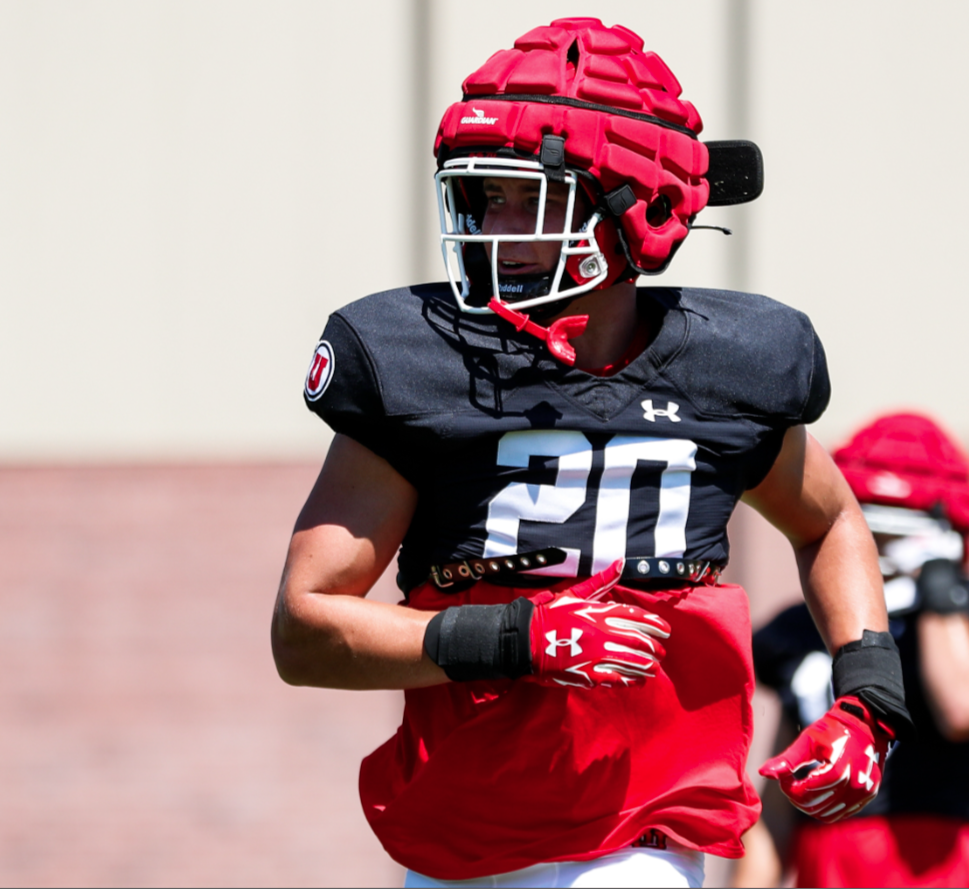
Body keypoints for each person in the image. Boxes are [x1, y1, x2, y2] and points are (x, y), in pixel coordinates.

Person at [271, 18, 913, 887]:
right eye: (480, 196)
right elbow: (304, 632)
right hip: (457, 834)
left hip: (636, 832)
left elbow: (830, 521)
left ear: (632, 211)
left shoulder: (732, 369)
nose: (488, 224)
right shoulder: (419, 365)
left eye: (521, 199)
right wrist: (516, 635)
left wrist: (867, 698)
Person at [731, 412, 969, 888]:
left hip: (932, 862)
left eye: (894, 537)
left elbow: (964, 707)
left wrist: (939, 587)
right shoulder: (803, 627)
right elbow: (781, 802)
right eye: (869, 534)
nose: (878, 552)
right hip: (826, 861)